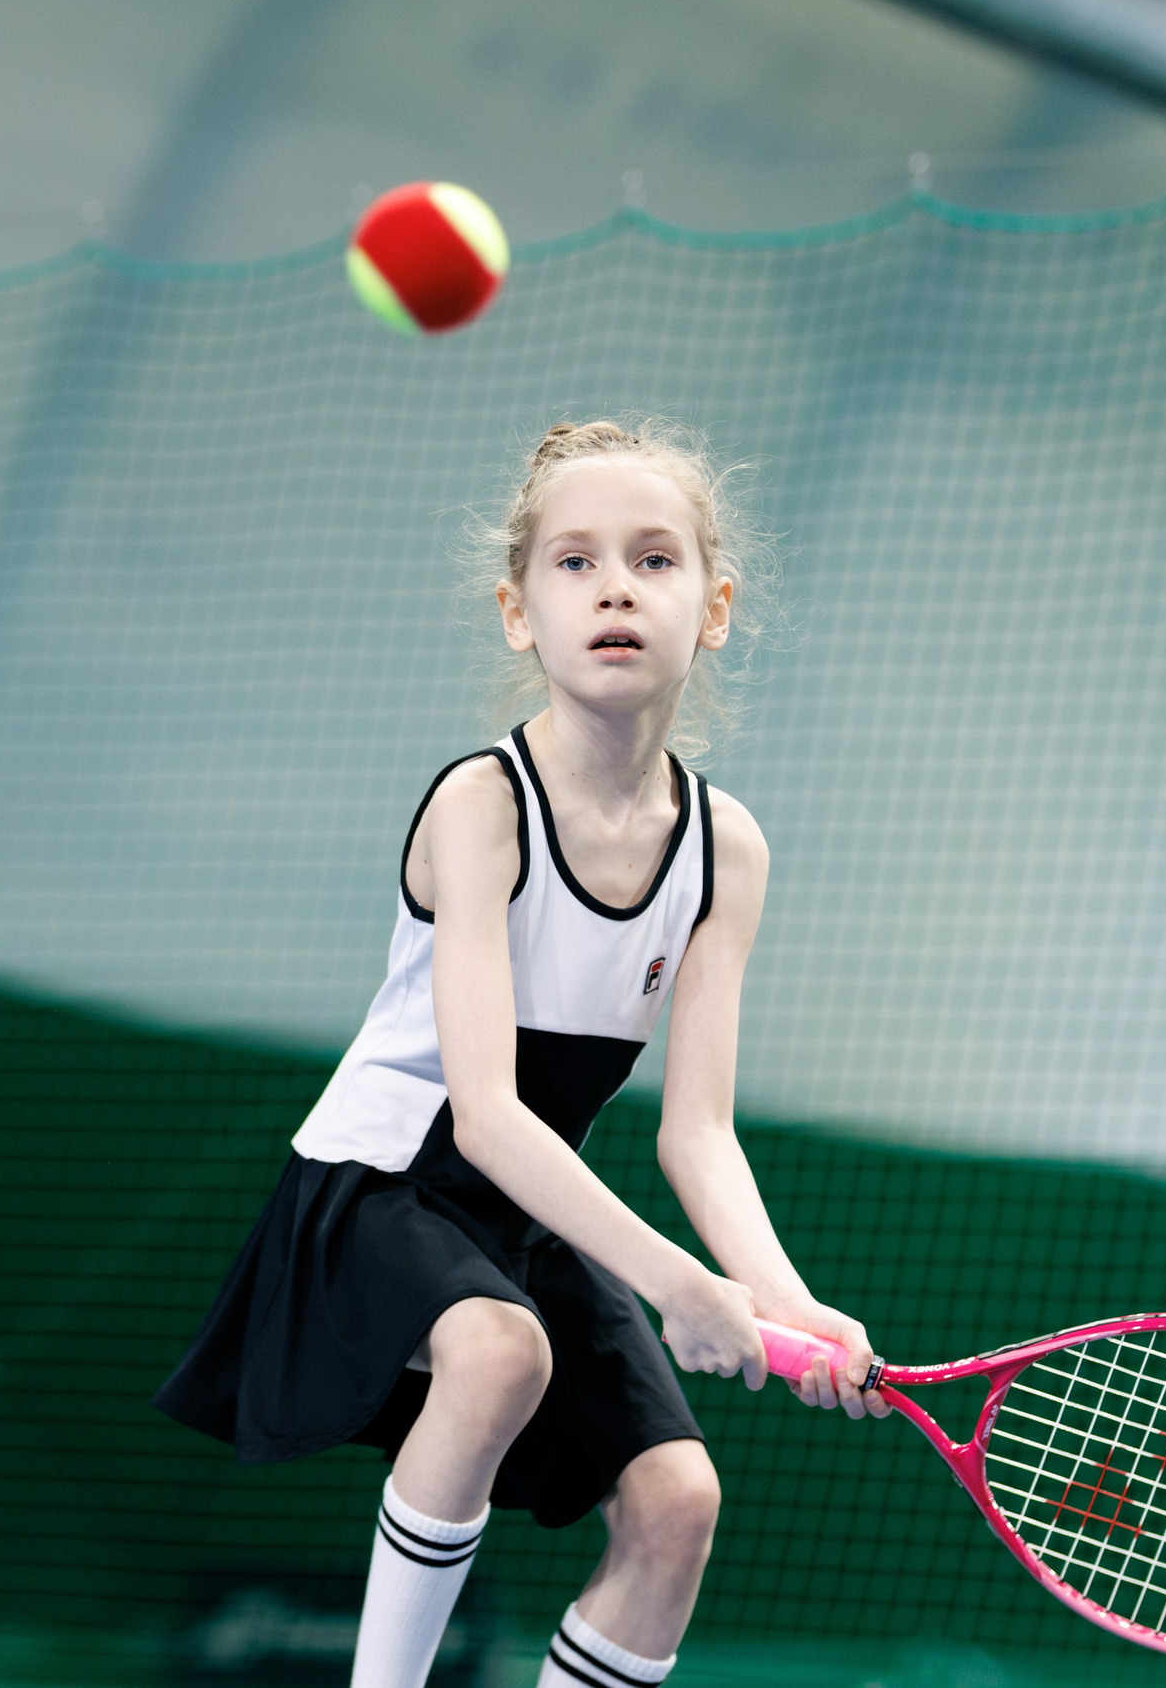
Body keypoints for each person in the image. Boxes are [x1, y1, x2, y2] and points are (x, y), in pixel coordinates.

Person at [154, 418, 883, 1688]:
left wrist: (780, 1300)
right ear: (516, 611)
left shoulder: (729, 848)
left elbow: (695, 1130)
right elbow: (484, 1114)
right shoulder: (481, 805)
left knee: (676, 1505)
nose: (613, 585)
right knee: (501, 1349)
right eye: (573, 562)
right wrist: (676, 1282)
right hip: (383, 1183)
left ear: (713, 610)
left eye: (654, 561)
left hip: (530, 1215)